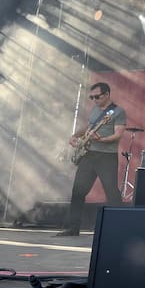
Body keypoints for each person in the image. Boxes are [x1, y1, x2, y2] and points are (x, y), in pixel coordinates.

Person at [56, 82, 126, 236]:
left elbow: (118, 135)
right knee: (78, 191)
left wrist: (101, 139)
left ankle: (120, 228)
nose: (94, 100)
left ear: (107, 94)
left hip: (107, 157)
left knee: (112, 192)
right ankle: (73, 228)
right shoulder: (94, 110)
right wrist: (75, 136)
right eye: (92, 97)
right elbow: (89, 127)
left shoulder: (118, 112)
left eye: (97, 97)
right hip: (89, 155)